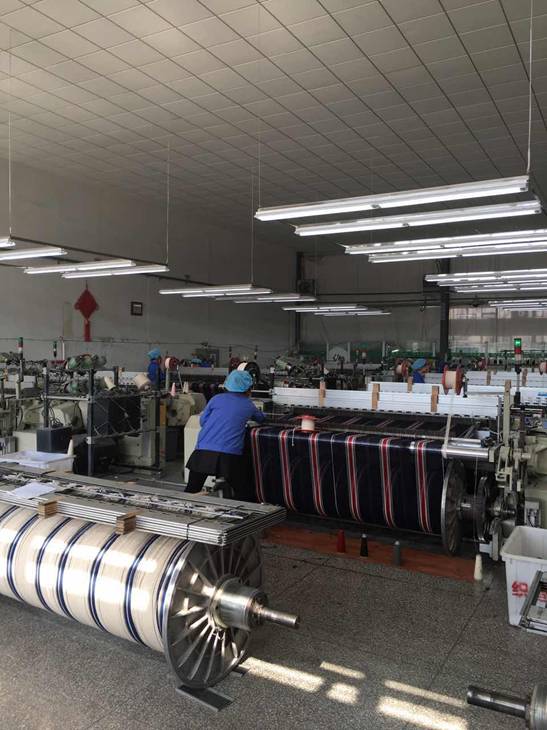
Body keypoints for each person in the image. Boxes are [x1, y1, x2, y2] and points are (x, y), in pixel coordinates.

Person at [185, 369, 266, 495]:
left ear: (227, 385)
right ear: (248, 389)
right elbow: (261, 419)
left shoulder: (216, 399)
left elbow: (202, 421)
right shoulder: (248, 405)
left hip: (203, 452)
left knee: (191, 490)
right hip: (230, 456)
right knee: (243, 493)